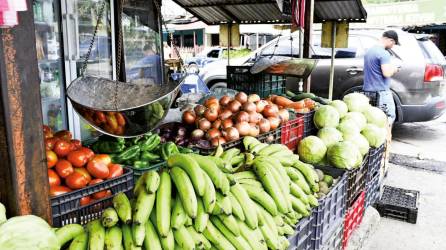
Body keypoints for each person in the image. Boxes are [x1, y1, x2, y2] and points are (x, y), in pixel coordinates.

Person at [363, 30, 401, 125]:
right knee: (388, 118)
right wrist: (395, 69)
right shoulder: (384, 53)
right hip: (381, 93)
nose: (393, 46)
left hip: (368, 92)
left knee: (372, 121)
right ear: (390, 40)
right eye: (394, 44)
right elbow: (387, 73)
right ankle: (386, 139)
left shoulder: (369, 51)